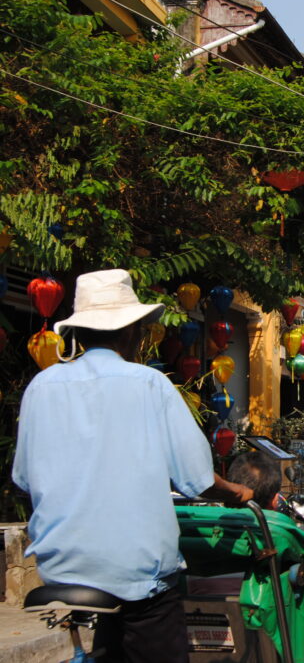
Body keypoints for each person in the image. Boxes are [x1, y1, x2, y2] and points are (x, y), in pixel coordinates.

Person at [12, 269, 253, 663]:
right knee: (149, 608)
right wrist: (236, 491)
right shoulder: (150, 384)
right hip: (136, 573)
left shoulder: (41, 387)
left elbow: (24, 477)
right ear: (130, 333)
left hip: (59, 568)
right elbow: (195, 479)